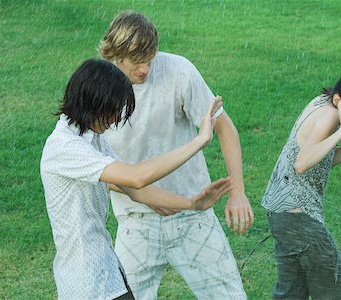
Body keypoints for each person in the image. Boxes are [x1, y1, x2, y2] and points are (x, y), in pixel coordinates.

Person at [40, 59, 231, 300]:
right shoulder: (65, 148)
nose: (115, 118)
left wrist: (191, 204)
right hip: (86, 284)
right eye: (113, 109)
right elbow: (137, 177)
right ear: (93, 103)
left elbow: (134, 188)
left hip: (107, 273)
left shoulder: (91, 138)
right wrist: (199, 140)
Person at [99, 10, 252, 299]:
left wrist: (238, 191)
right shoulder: (97, 91)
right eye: (136, 62)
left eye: (149, 59)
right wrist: (147, 194)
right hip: (136, 221)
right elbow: (94, 169)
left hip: (193, 215)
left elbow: (225, 128)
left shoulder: (178, 71)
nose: (145, 69)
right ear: (114, 54)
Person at [262, 65, 341, 299]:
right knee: (337, 292)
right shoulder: (330, 116)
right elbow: (301, 163)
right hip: (298, 218)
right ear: (339, 100)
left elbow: (323, 159)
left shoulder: (322, 102)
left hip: (279, 214)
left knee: (291, 293)